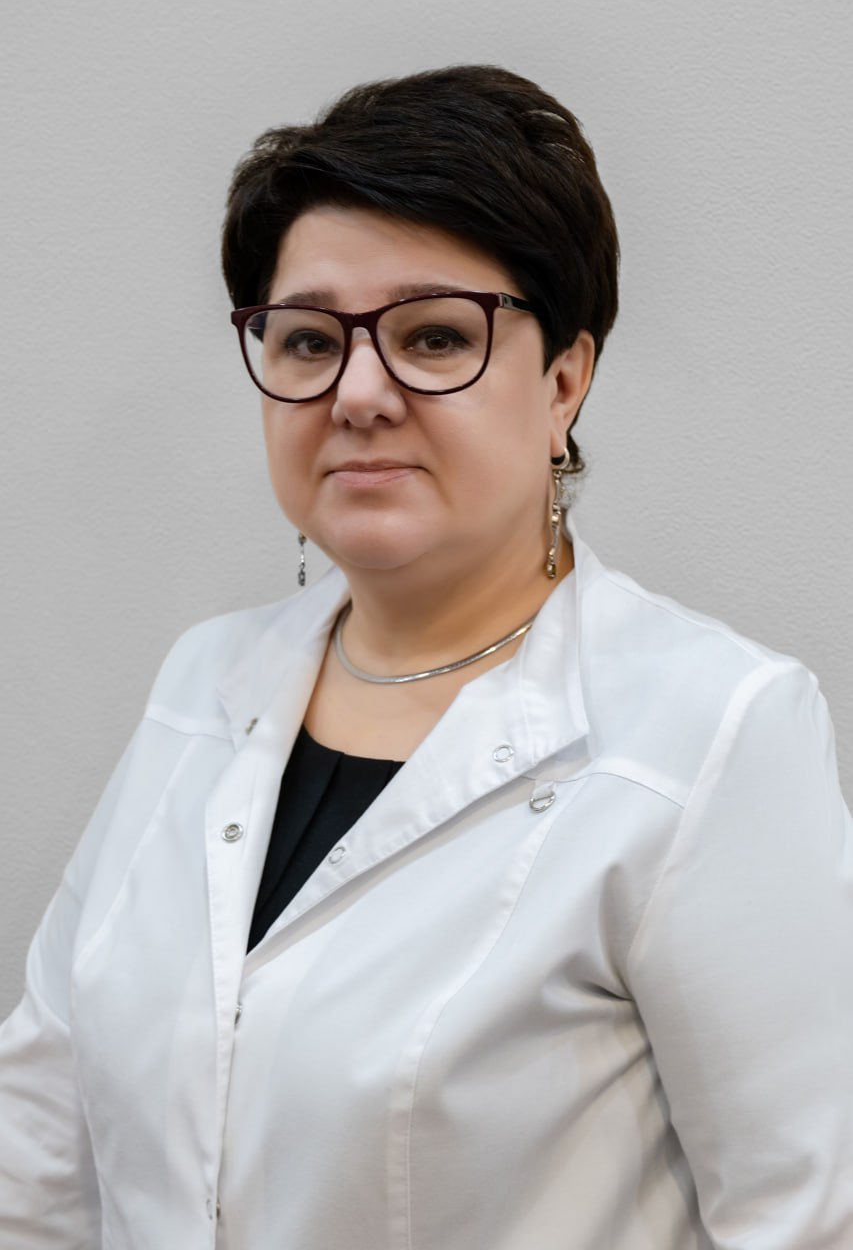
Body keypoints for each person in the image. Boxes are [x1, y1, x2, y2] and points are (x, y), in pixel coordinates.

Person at [1, 64, 851, 1250]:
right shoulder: (203, 683)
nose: (357, 393)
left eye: (435, 335)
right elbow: (38, 1149)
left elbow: (806, 1219)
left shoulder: (712, 730)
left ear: (563, 382)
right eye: (307, 340)